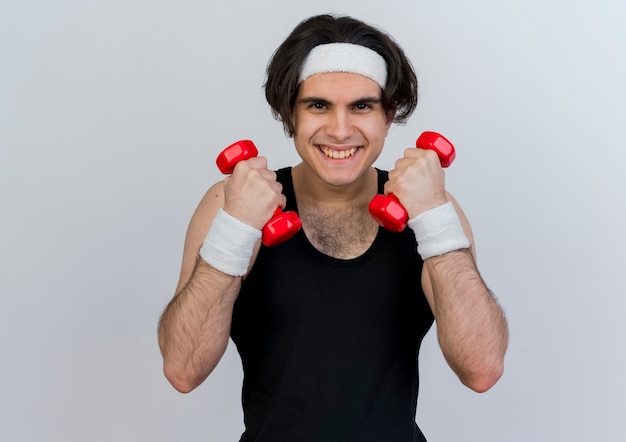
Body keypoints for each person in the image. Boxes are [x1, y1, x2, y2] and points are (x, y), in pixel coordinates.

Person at [158, 13, 509, 441]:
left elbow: (482, 369)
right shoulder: (229, 204)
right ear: (290, 115)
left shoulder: (430, 211)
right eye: (318, 105)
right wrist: (234, 230)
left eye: (362, 106)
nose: (340, 131)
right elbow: (182, 369)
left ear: (388, 114)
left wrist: (435, 217)